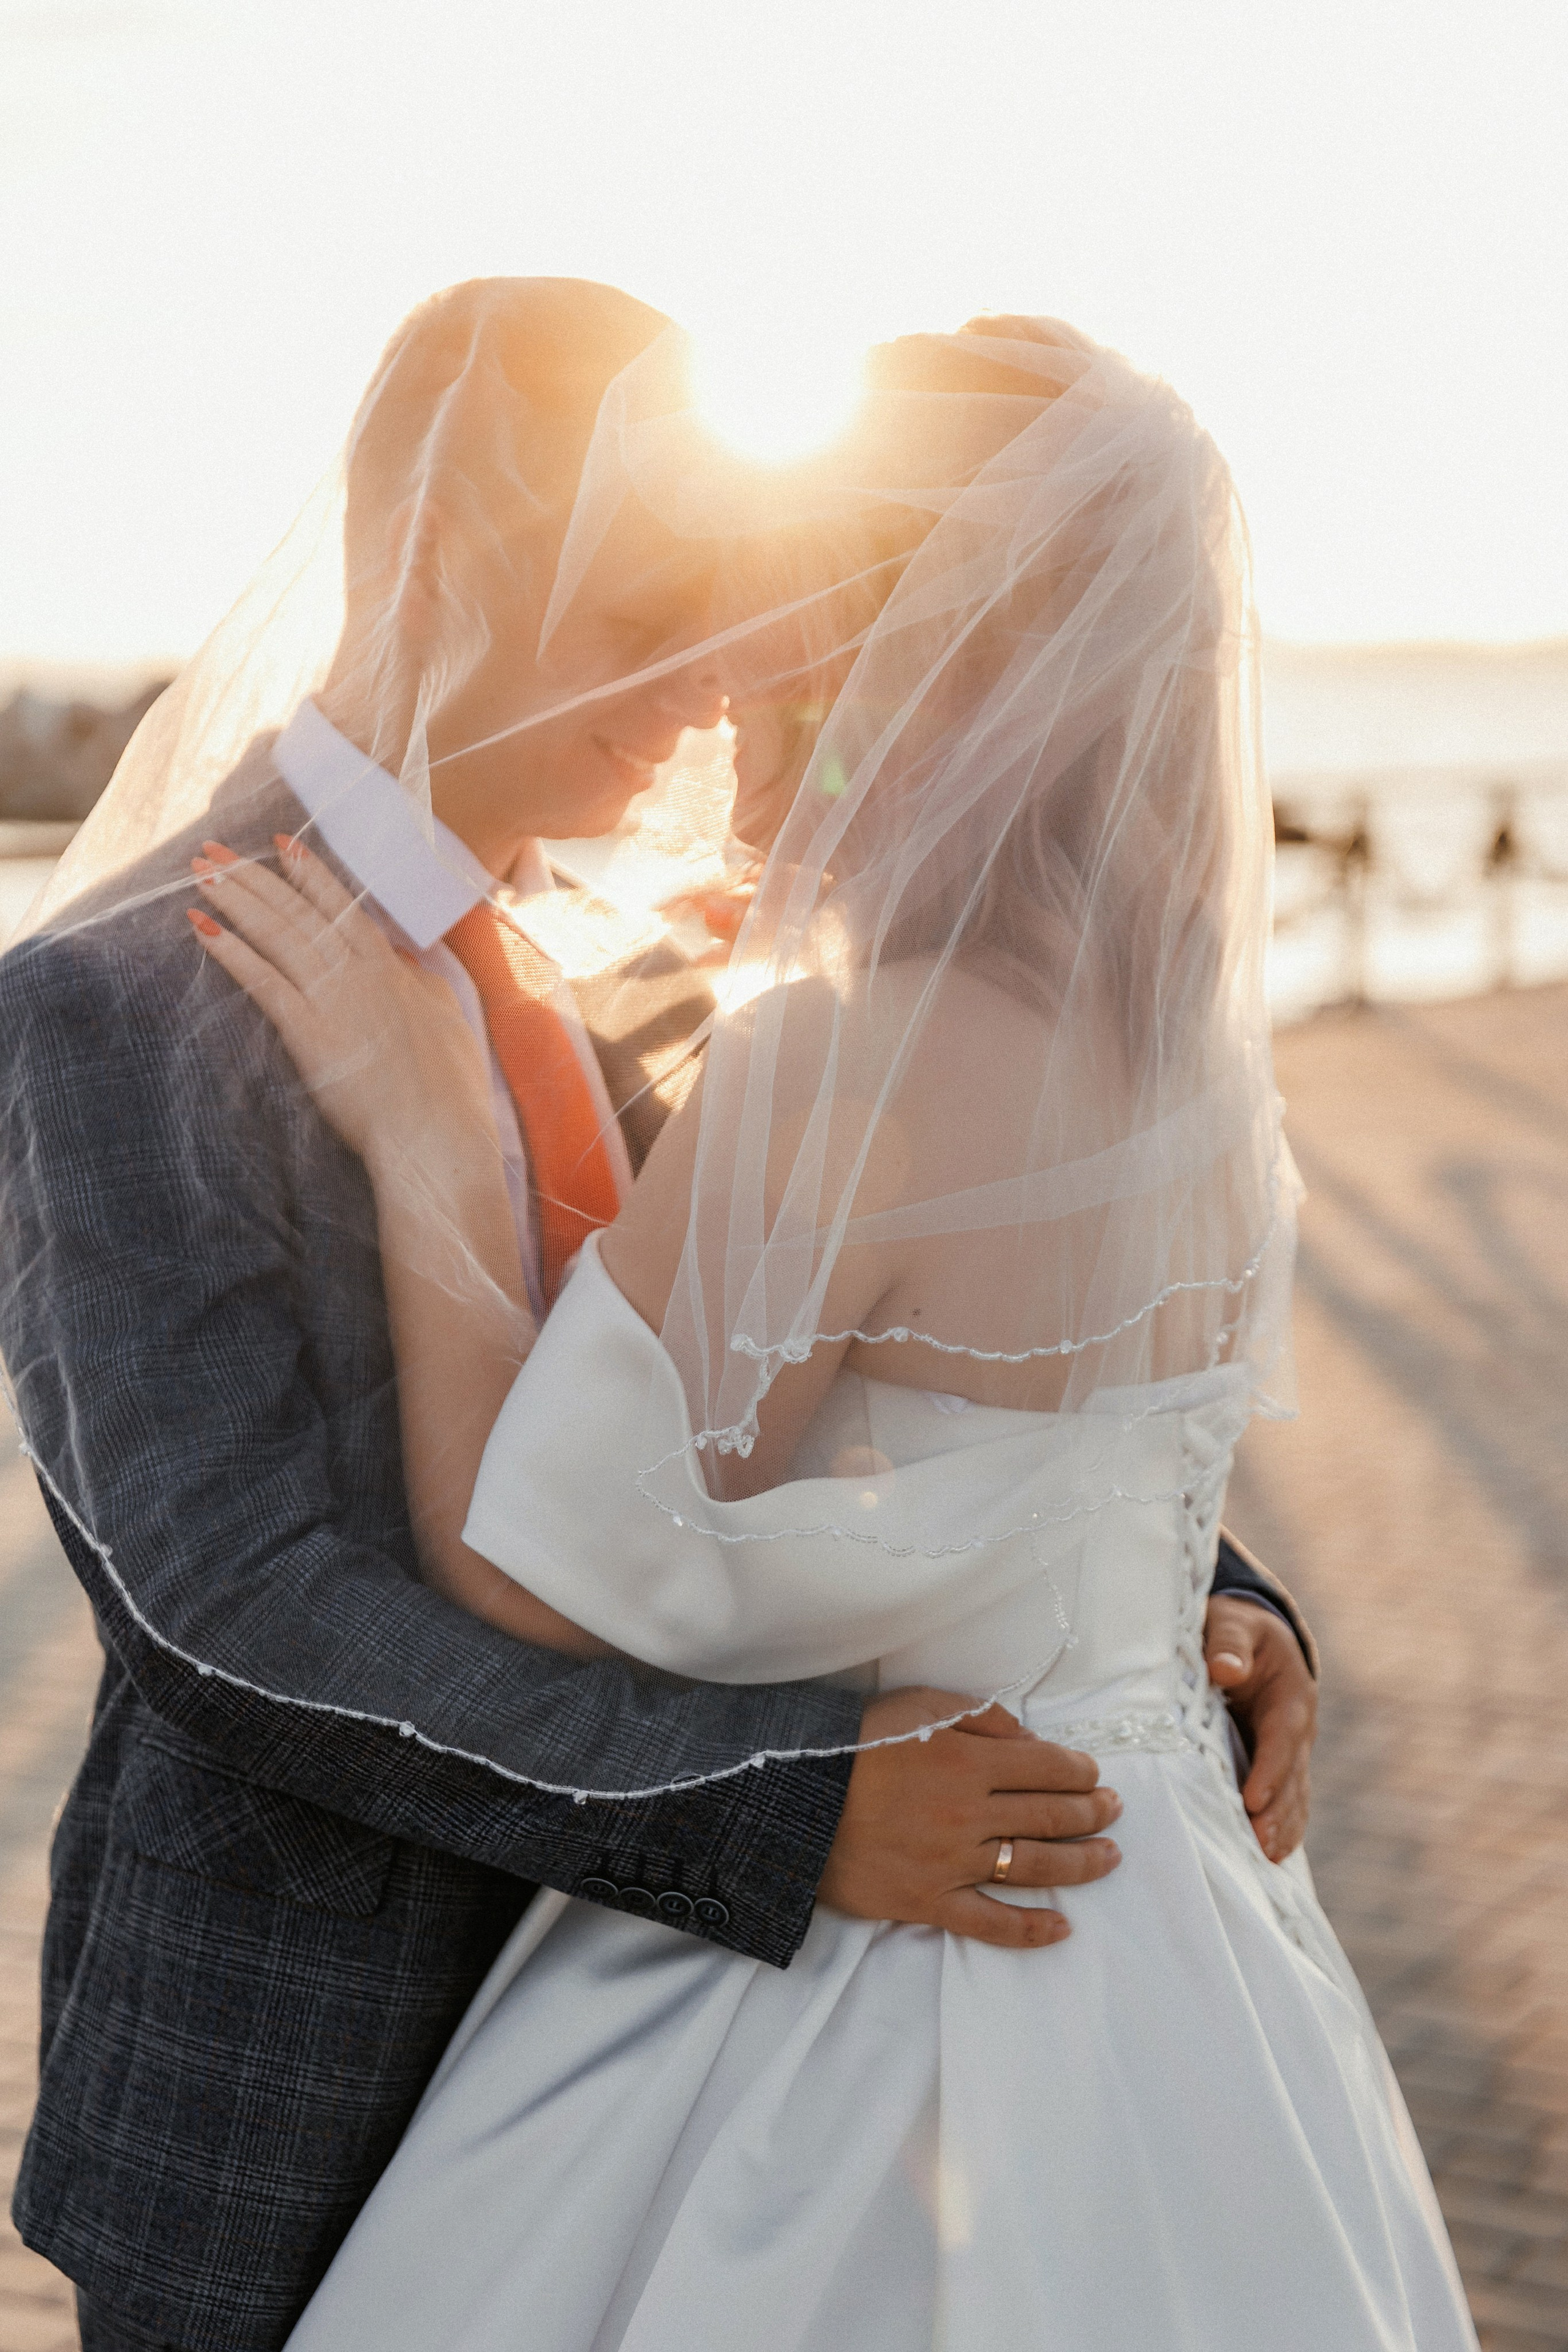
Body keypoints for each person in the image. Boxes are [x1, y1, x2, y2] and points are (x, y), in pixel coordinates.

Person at [0, 283, 1314, 2352]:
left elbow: (898, 1371)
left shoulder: (682, 977)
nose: (715, 693)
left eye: (735, 620)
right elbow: (223, 1613)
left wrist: (1191, 1606)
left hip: (700, 2061)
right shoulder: (120, 1005)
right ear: (439, 568)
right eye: (641, 624)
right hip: (302, 2078)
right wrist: (783, 1810)